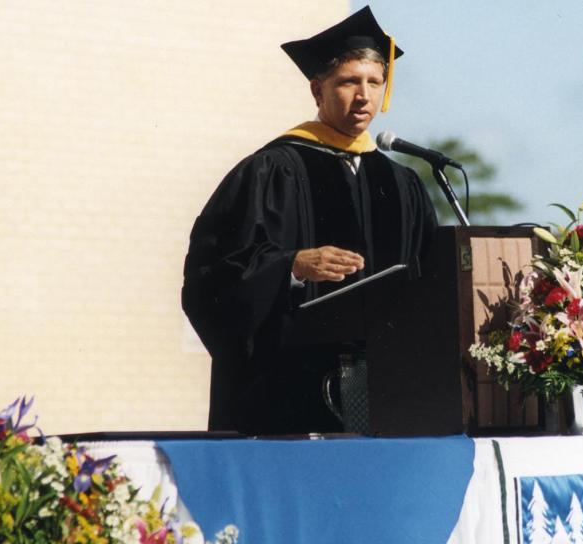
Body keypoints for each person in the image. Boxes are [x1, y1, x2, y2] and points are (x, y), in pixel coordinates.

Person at [182, 6, 437, 436]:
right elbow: (211, 277)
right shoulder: (270, 170)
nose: (363, 96)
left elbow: (429, 279)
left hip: (389, 389)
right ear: (317, 91)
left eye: (374, 82)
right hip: (288, 390)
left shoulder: (402, 183)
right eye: (349, 82)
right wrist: (291, 265)